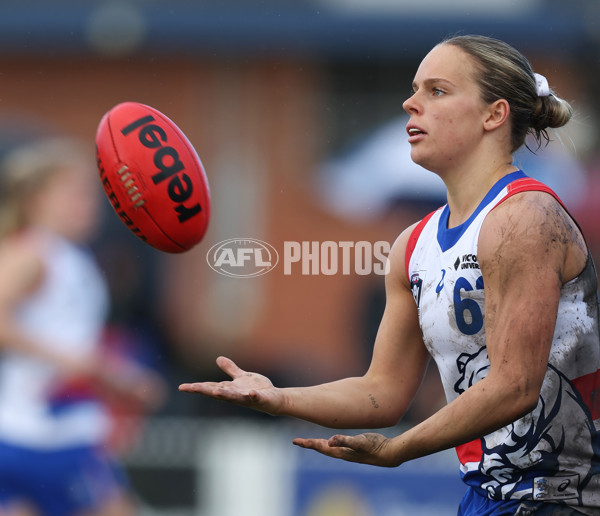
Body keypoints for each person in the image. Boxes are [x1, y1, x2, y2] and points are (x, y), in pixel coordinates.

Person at [179, 35, 600, 515]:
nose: (410, 102)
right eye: (414, 88)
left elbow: (515, 385)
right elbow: (382, 391)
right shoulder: (412, 246)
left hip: (567, 498)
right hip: (486, 497)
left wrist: (401, 450)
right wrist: (278, 397)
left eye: (437, 91)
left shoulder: (527, 216)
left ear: (494, 115)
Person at [0, 138, 164, 516]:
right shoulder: (32, 252)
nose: (89, 206)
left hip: (64, 429)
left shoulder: (71, 257)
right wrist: (74, 361)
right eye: (74, 194)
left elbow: (75, 348)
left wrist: (115, 377)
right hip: (36, 433)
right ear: (37, 199)